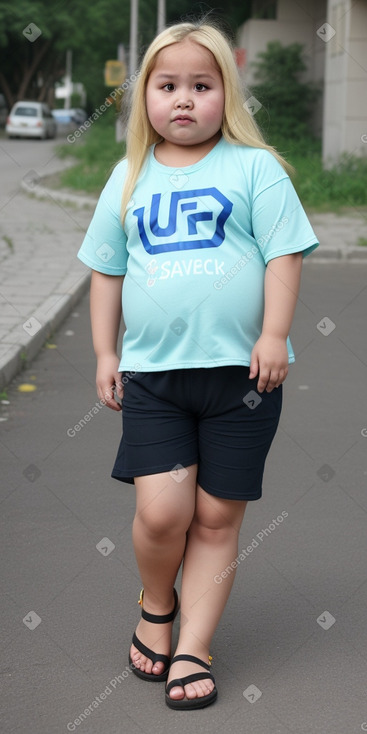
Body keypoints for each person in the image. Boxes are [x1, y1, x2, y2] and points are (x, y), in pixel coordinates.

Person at [77, 19, 319, 711]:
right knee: (162, 515)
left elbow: (284, 254)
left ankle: (194, 644)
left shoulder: (254, 168)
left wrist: (275, 334)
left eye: (201, 86)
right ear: (144, 96)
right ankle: (158, 604)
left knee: (215, 517)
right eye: (167, 85)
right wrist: (103, 351)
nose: (183, 99)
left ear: (226, 95)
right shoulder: (128, 176)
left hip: (243, 380)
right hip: (155, 378)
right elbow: (105, 271)